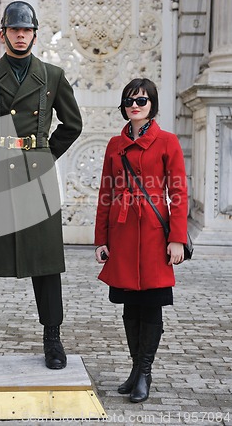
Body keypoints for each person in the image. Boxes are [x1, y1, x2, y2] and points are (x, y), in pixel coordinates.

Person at [0, 0, 82, 371]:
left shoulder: (52, 76)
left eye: (26, 30)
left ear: (35, 34)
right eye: (14, 30)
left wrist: (43, 153)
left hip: (36, 174)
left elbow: (72, 125)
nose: (20, 35)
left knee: (45, 264)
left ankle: (52, 339)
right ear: (3, 33)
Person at [94, 78, 188, 403]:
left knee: (151, 306)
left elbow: (178, 191)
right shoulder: (114, 145)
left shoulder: (168, 142)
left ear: (152, 105)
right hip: (121, 235)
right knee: (130, 307)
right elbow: (105, 193)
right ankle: (136, 370)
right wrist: (100, 239)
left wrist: (177, 238)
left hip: (153, 234)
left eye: (142, 101)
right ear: (123, 106)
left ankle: (144, 372)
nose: (135, 105)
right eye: (130, 101)